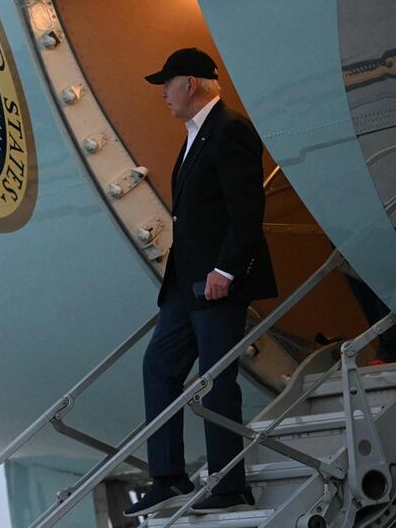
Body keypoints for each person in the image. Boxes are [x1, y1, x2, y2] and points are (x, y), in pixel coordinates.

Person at [124, 47, 278, 517]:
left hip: (216, 285)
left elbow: (246, 209)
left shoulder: (231, 130)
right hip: (184, 287)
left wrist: (226, 270)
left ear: (189, 84)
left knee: (216, 381)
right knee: (159, 366)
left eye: (166, 85)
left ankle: (230, 484)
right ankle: (168, 477)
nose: (163, 96)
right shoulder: (197, 134)